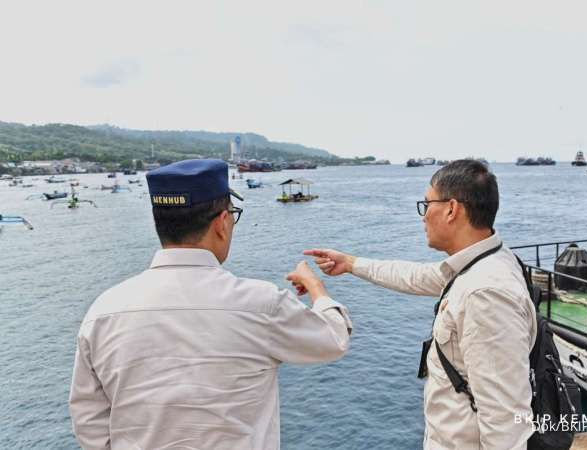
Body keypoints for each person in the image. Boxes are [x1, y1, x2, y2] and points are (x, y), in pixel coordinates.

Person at [69, 159, 352, 450]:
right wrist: (317, 288)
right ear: (221, 223)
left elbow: (89, 421)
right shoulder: (261, 304)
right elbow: (333, 339)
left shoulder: (103, 311)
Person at [305, 159, 536, 450]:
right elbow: (417, 276)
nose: (423, 215)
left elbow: (505, 422)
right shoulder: (484, 262)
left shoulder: (485, 293)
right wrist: (351, 264)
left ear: (452, 209)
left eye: (427, 204)